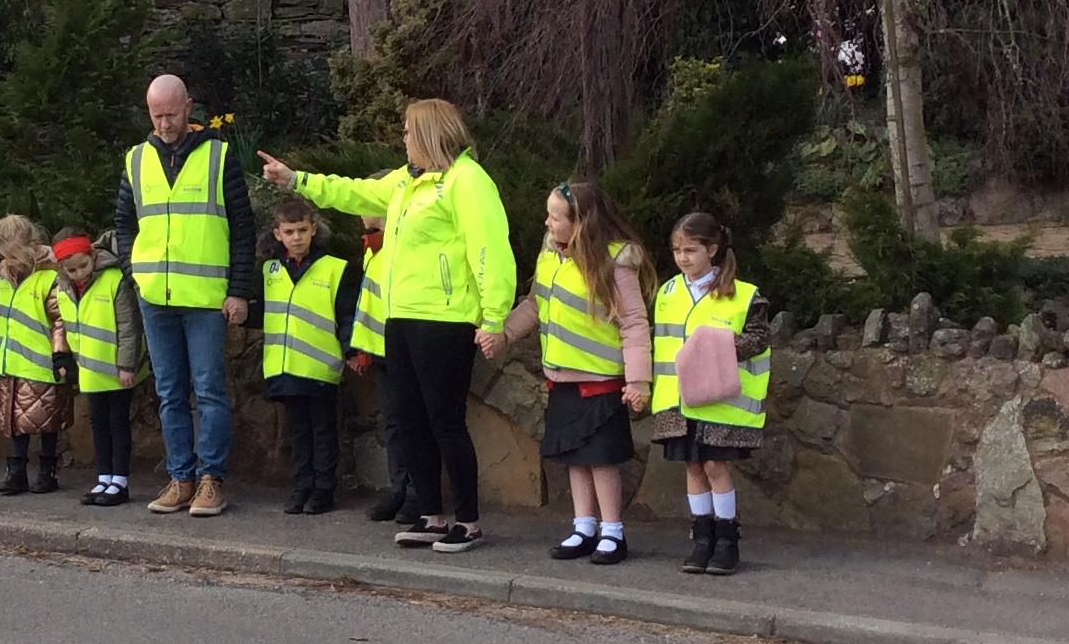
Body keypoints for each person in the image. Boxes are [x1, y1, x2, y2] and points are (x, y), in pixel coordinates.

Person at [260, 97, 514, 554]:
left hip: (445, 320)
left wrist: (494, 317)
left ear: (429, 134)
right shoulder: (406, 180)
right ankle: (431, 516)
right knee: (410, 420)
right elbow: (356, 192)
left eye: (408, 132)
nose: (403, 139)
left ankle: (469, 521)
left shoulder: (467, 181)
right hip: (400, 318)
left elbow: (489, 250)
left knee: (445, 422)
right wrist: (297, 179)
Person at [114, 74, 255, 519]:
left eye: (171, 114)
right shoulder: (136, 159)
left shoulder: (219, 156)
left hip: (205, 297)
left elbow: (243, 228)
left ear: (189, 107)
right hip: (155, 295)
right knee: (169, 392)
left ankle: (211, 479)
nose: (164, 124)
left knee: (209, 390)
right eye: (156, 115)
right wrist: (134, 274)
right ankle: (181, 478)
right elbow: (124, 224)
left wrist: (239, 291)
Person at [502, 181, 653, 565]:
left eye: (555, 217)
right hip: (561, 378)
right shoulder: (549, 257)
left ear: (581, 222)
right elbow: (535, 305)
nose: (547, 223)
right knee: (575, 457)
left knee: (601, 458)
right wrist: (503, 334)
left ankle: (612, 530)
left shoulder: (615, 264)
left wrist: (638, 380)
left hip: (600, 380)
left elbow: (634, 323)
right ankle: (583, 526)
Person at [652, 210, 774, 576]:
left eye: (690, 250)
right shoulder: (668, 291)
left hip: (721, 400)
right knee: (693, 466)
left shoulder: (743, 294)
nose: (682, 258)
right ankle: (701, 537)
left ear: (712, 250)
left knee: (714, 466)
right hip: (678, 400)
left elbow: (758, 339)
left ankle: (726, 539)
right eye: (677, 250)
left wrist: (715, 346)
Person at [260, 195, 360, 514]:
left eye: (302, 230)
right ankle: (302, 485)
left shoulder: (334, 268)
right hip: (283, 366)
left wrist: (351, 351)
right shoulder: (270, 270)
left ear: (313, 230)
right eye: (289, 232)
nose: (296, 238)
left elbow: (346, 315)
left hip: (320, 367)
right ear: (277, 234)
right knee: (297, 432)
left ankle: (324, 489)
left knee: (323, 431)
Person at [0, 215, 70, 495]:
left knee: (48, 422)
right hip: (11, 362)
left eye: (10, 253)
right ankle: (16, 471)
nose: (6, 259)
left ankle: (47, 470)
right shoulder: (5, 276)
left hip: (42, 363)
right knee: (15, 422)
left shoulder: (50, 277)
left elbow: (60, 320)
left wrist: (60, 353)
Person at [54, 226, 143, 507]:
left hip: (117, 370)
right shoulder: (63, 289)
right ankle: (104, 476)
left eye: (83, 265)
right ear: (62, 269)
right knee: (99, 425)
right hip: (90, 371)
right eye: (71, 270)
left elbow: (128, 327)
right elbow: (70, 327)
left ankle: (120, 480)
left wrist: (127, 365)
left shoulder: (114, 280)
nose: (79, 273)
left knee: (118, 423)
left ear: (93, 256)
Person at [343, 218, 414, 523]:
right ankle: (399, 489)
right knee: (393, 423)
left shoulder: (399, 244)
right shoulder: (373, 247)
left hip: (407, 346)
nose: (361, 214)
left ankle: (417, 493)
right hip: (382, 347)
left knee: (413, 422)